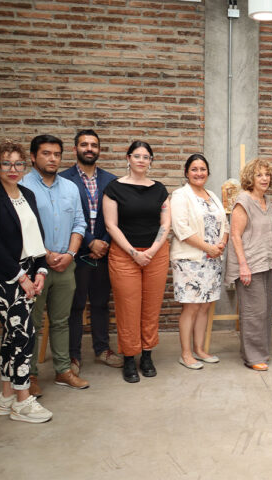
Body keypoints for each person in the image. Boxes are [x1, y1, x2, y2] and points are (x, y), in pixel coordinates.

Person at [0, 140, 52, 423]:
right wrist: (21, 277)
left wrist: (41, 271)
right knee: (24, 334)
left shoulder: (27, 194)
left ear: (25, 166)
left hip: (29, 273)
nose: (13, 168)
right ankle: (22, 400)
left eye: (18, 163)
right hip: (4, 277)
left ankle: (6, 396)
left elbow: (37, 236)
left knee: (12, 335)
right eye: (6, 163)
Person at [22, 135, 89, 395]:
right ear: (33, 157)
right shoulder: (22, 186)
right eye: (46, 153)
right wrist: (46, 255)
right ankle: (29, 376)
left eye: (57, 154)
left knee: (61, 321)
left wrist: (70, 254)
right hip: (34, 266)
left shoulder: (70, 188)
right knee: (32, 324)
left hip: (66, 265)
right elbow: (20, 229)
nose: (53, 159)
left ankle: (63, 370)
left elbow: (79, 223)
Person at [103, 141, 170, 383]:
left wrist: (151, 251)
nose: (142, 160)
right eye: (137, 156)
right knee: (128, 307)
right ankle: (130, 357)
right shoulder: (114, 188)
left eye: (146, 156)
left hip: (155, 254)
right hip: (124, 255)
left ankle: (147, 355)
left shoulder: (160, 189)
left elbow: (165, 223)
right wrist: (134, 253)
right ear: (128, 158)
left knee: (151, 307)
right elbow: (111, 225)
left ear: (151, 161)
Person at [59, 129, 122, 374]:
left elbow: (116, 218)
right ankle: (73, 356)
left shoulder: (111, 181)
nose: (89, 148)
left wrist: (102, 242)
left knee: (100, 303)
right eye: (84, 144)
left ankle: (102, 349)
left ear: (99, 150)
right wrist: (90, 242)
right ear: (75, 149)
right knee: (75, 306)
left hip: (103, 252)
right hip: (76, 252)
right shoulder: (63, 180)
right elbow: (65, 217)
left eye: (94, 145)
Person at [170, 154, 228, 370]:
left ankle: (200, 350)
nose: (199, 173)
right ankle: (185, 354)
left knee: (205, 306)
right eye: (194, 169)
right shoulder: (180, 195)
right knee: (191, 307)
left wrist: (222, 243)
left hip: (212, 260)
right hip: (190, 260)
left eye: (202, 169)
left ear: (208, 172)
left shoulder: (212, 195)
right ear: (186, 172)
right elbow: (181, 229)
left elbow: (225, 224)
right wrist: (208, 248)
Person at [225, 158, 272, 371]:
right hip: (250, 264)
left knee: (264, 311)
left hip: (266, 263)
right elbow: (235, 236)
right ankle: (253, 357)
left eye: (267, 174)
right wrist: (243, 265)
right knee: (253, 312)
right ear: (251, 178)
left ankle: (259, 352)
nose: (264, 178)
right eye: (259, 175)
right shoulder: (243, 201)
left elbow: (268, 235)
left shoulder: (266, 201)